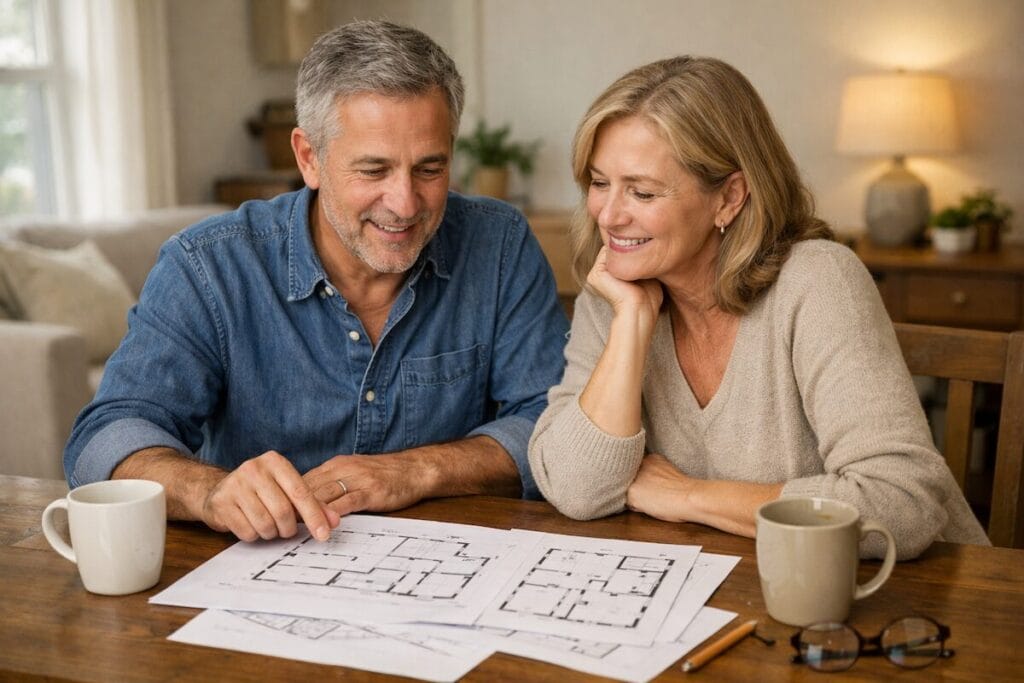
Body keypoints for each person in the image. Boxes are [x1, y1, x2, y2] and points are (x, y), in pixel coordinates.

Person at [64, 20, 568, 544]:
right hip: (257, 574)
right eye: (373, 170)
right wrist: (209, 490)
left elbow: (552, 422)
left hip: (453, 573)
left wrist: (418, 470)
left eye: (428, 169)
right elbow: (105, 439)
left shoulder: (500, 245)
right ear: (309, 158)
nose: (404, 203)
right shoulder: (208, 267)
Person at [527, 56, 988, 560]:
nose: (609, 216)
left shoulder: (818, 281)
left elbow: (902, 503)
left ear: (729, 197)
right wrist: (632, 324)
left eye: (641, 191)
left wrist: (686, 496)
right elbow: (575, 490)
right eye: (599, 183)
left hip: (915, 602)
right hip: (739, 590)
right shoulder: (620, 289)